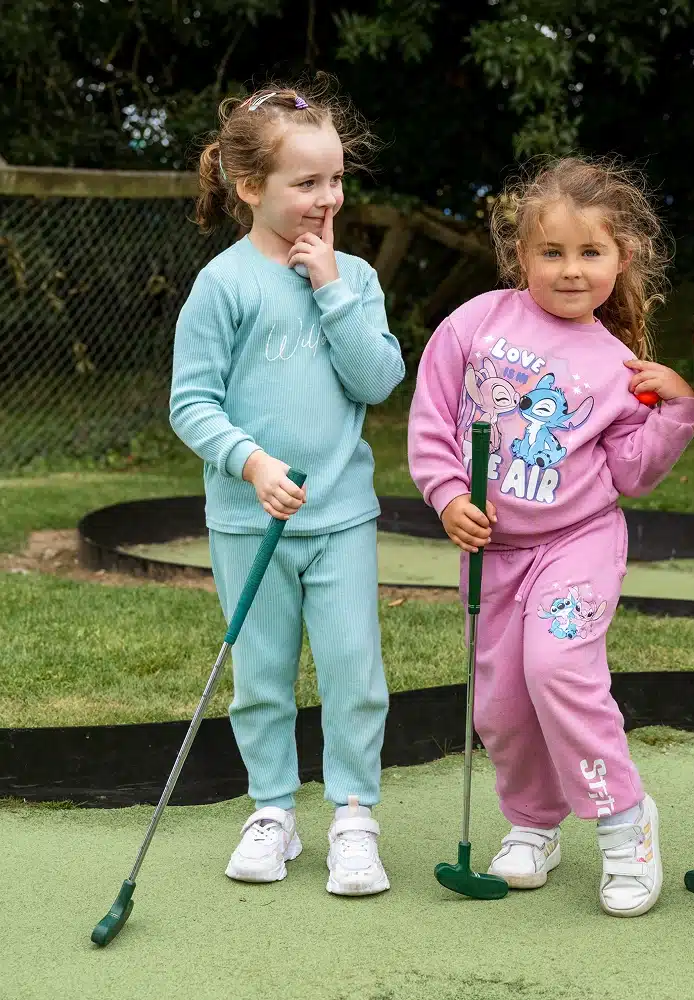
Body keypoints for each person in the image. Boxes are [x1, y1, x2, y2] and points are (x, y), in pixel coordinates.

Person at [408, 156, 694, 916]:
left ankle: (624, 822)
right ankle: (534, 822)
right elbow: (434, 424)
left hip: (577, 542)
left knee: (559, 670)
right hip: (493, 553)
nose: (571, 271)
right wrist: (446, 498)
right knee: (501, 704)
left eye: (590, 253)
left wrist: (673, 412)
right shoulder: (473, 325)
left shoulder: (617, 364)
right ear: (521, 256)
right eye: (552, 252)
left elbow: (632, 472)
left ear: (620, 260)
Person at [170, 80, 405, 896]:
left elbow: (376, 380)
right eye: (306, 184)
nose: (327, 198)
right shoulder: (223, 286)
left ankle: (354, 817)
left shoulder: (358, 279)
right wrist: (253, 463)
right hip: (248, 522)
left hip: (341, 517)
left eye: (335, 180)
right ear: (249, 188)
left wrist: (332, 287)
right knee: (262, 676)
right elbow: (191, 404)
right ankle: (272, 809)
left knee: (353, 672)